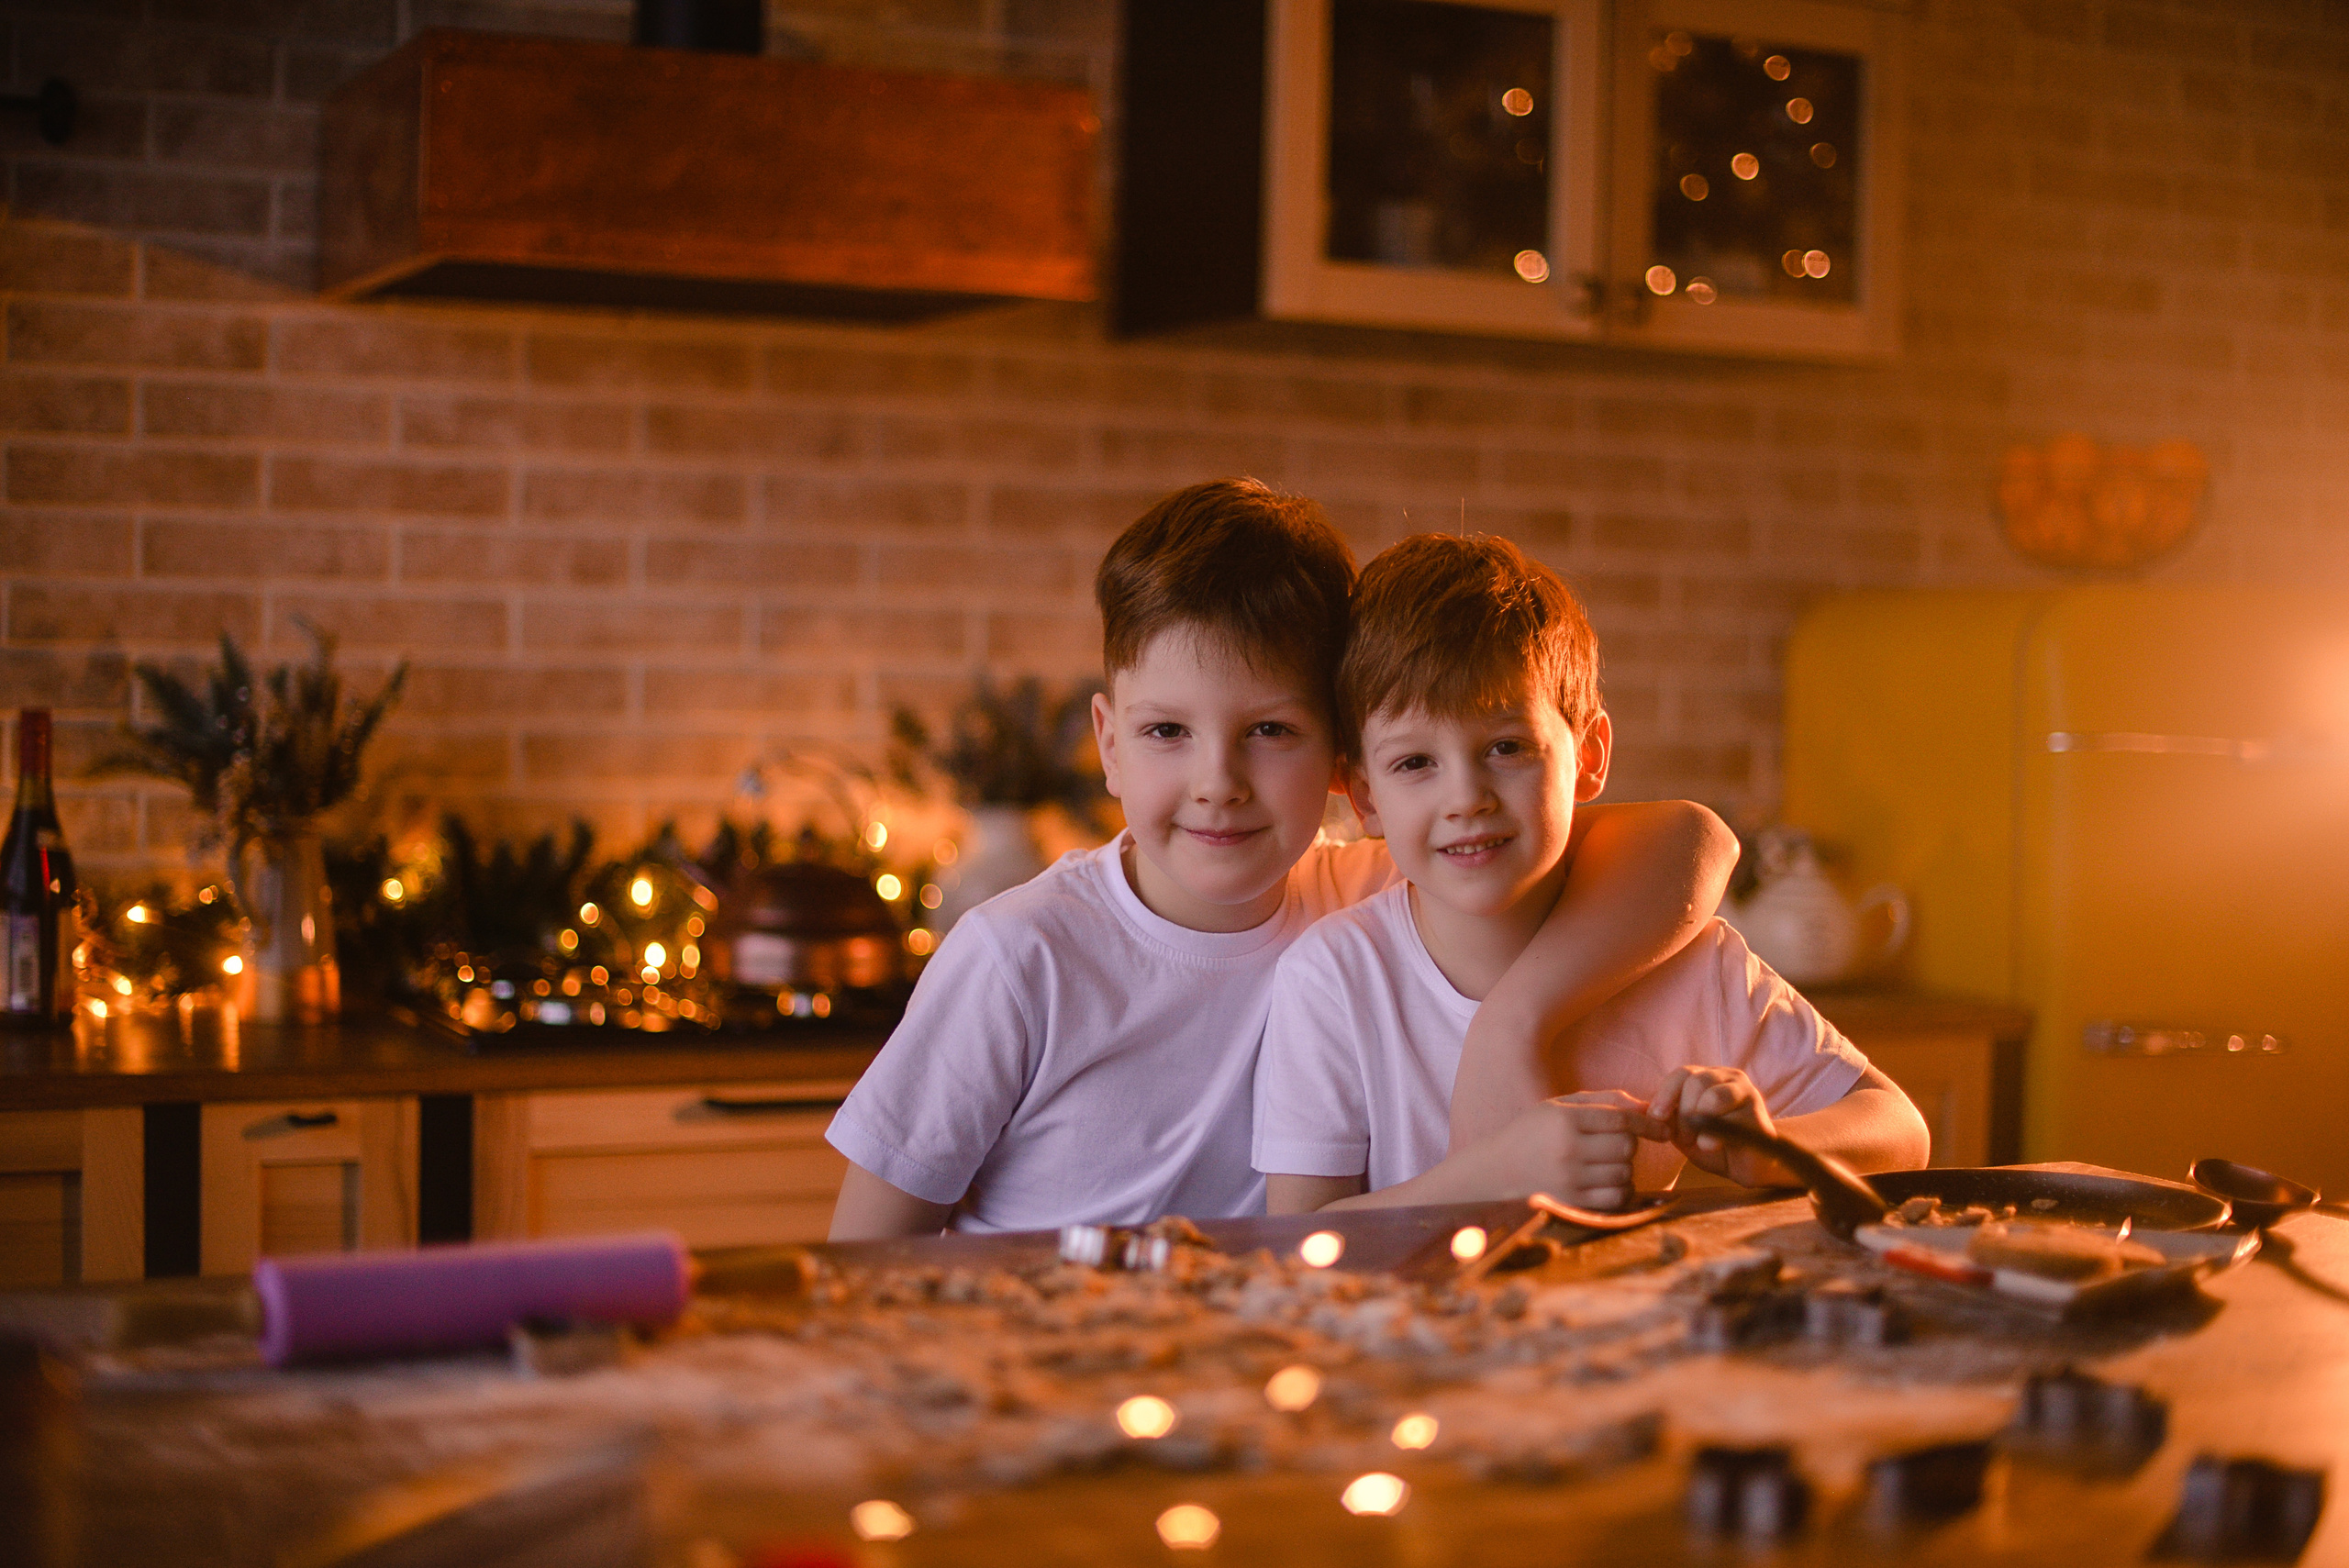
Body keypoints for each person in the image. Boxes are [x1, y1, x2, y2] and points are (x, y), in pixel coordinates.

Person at [826, 479, 1739, 1238]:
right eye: (1167, 731)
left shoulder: (1366, 887)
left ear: (1344, 761)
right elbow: (863, 1256)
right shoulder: (1018, 955)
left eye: (1269, 730)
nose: (1216, 781)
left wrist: (1517, 1018)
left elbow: (1689, 840)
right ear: (1108, 743)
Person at [1253, 532, 1929, 1215]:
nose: (1465, 797)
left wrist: (1770, 1144)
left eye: (1507, 747)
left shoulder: (1691, 963)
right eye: (1415, 764)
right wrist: (1489, 1177)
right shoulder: (1334, 976)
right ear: (1364, 795)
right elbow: (1297, 1236)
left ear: (1590, 755)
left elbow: (1900, 1129)